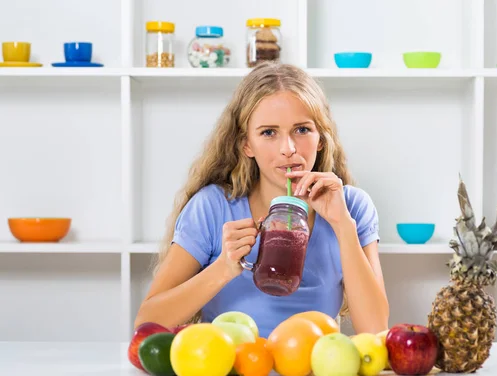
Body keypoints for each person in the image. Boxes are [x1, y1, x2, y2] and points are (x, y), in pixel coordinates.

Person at [134, 62, 389, 339]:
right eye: (269, 133)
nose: (288, 149)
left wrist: (343, 227)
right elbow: (147, 323)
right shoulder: (212, 207)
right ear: (246, 144)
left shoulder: (352, 207)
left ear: (321, 139)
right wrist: (222, 269)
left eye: (302, 130)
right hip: (229, 375)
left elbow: (375, 330)